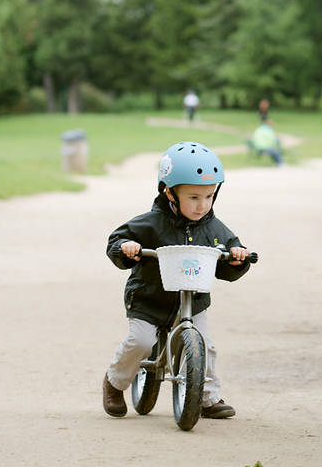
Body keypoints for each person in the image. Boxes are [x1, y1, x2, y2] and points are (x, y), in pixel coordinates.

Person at [103, 141, 252, 418]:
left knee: (205, 345)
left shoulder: (214, 229)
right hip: (149, 299)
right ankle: (115, 383)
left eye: (209, 197)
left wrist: (236, 257)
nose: (202, 206)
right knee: (141, 342)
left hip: (192, 301)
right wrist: (127, 248)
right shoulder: (150, 223)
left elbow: (229, 256)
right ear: (169, 192)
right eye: (194, 197)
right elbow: (118, 239)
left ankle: (207, 398)